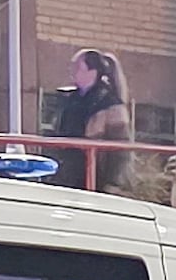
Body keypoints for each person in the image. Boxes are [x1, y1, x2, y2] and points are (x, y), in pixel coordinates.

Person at [39, 47, 135, 193]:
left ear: (92, 72)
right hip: (68, 178)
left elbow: (121, 151)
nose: (72, 71)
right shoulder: (70, 101)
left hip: (95, 182)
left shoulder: (111, 106)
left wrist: (113, 184)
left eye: (78, 67)